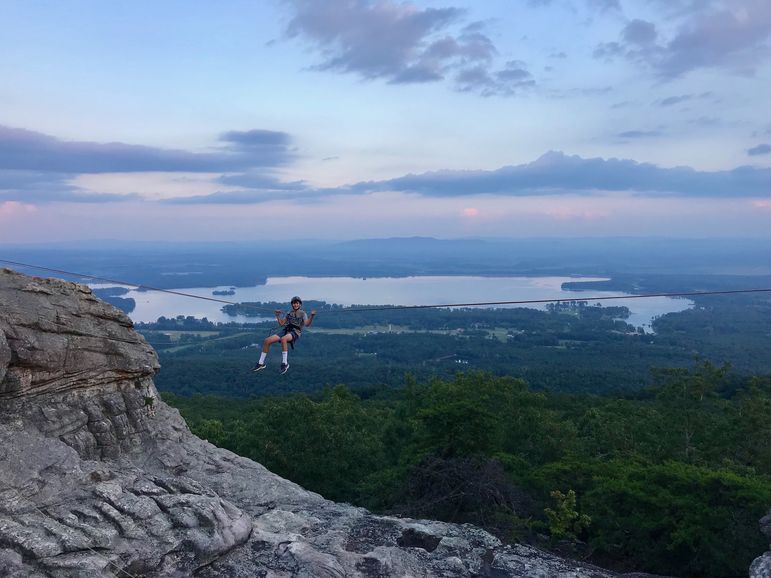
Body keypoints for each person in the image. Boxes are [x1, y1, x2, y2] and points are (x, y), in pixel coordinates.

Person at [252, 296, 316, 374]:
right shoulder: (289, 313)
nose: (295, 305)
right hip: (286, 330)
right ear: (292, 304)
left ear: (300, 304)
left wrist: (312, 316)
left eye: (297, 303)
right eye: (294, 303)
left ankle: (285, 363)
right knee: (267, 341)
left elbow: (307, 324)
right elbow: (282, 323)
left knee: (283, 339)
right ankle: (261, 363)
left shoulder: (303, 313)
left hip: (295, 332)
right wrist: (278, 316)